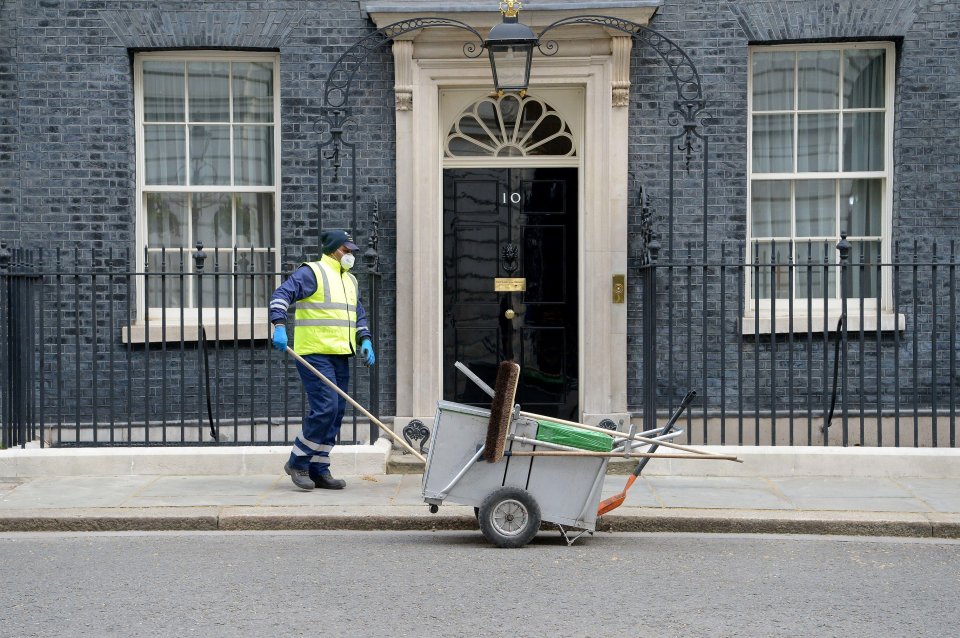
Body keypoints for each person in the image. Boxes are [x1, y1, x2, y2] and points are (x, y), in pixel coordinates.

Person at [269, 230, 376, 490]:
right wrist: (279, 325)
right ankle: (298, 462)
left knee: (337, 411)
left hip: (340, 352)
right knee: (325, 407)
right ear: (332, 250)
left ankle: (319, 467)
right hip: (314, 352)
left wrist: (365, 339)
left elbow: (357, 314)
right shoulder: (312, 272)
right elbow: (281, 296)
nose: (350, 255)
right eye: (346, 250)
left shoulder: (350, 280)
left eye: (351, 251)